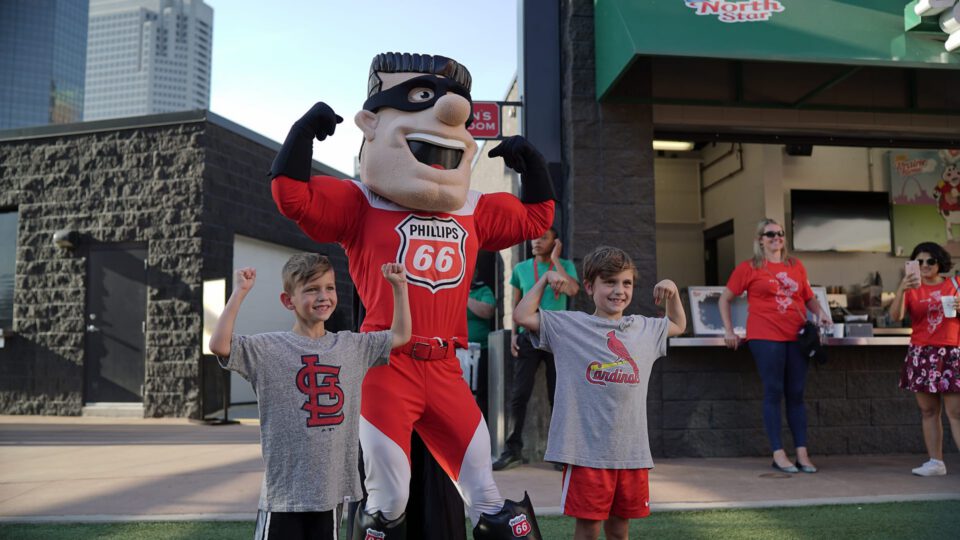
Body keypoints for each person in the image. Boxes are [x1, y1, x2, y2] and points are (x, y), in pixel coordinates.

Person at [270, 52, 553, 539]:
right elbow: (292, 197)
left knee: (488, 497)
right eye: (423, 98)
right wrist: (300, 134)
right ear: (372, 124)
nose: (449, 114)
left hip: (445, 366)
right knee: (388, 501)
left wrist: (535, 169)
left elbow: (535, 220)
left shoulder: (471, 207)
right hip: (385, 364)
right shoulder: (363, 200)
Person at [208, 254, 411, 540]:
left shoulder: (351, 346)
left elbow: (401, 335)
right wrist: (239, 292)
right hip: (283, 495)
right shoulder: (268, 348)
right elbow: (219, 344)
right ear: (288, 300)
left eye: (329, 288)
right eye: (312, 289)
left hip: (329, 495)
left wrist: (399, 287)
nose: (323, 296)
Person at [513, 245, 686, 540]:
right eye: (610, 282)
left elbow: (678, 324)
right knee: (589, 529)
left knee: (620, 529)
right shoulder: (569, 326)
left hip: (631, 453)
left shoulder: (643, 328)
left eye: (626, 283)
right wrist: (543, 280)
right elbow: (522, 314)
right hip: (585, 453)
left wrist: (673, 294)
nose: (619, 290)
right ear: (590, 286)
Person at [719, 218, 832, 474]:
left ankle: (802, 453)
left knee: (796, 393)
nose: (776, 238)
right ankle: (778, 453)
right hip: (764, 334)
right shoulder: (749, 268)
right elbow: (725, 299)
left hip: (797, 336)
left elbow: (808, 297)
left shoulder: (796, 265)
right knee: (773, 391)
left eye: (780, 233)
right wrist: (729, 330)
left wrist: (821, 313)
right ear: (760, 239)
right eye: (770, 234)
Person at [494, 228, 579, 471]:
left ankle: (560, 454)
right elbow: (516, 302)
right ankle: (512, 450)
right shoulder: (521, 268)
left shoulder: (564, 266)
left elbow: (572, 290)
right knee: (519, 395)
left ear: (555, 242)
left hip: (558, 338)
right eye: (535, 237)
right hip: (528, 337)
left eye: (543, 238)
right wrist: (513, 334)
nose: (536, 241)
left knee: (558, 396)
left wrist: (555, 262)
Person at [889, 241, 960, 476]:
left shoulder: (956, 285)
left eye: (930, 261)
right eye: (919, 262)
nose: (925, 265)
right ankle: (935, 462)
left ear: (940, 262)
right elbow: (895, 316)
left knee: (956, 412)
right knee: (929, 411)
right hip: (921, 353)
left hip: (950, 352)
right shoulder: (912, 288)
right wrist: (902, 287)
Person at [467, 276, 496, 417]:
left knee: (480, 392)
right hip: (454, 351)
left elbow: (488, 311)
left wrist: (464, 296)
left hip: (480, 350)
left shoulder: (483, 290)